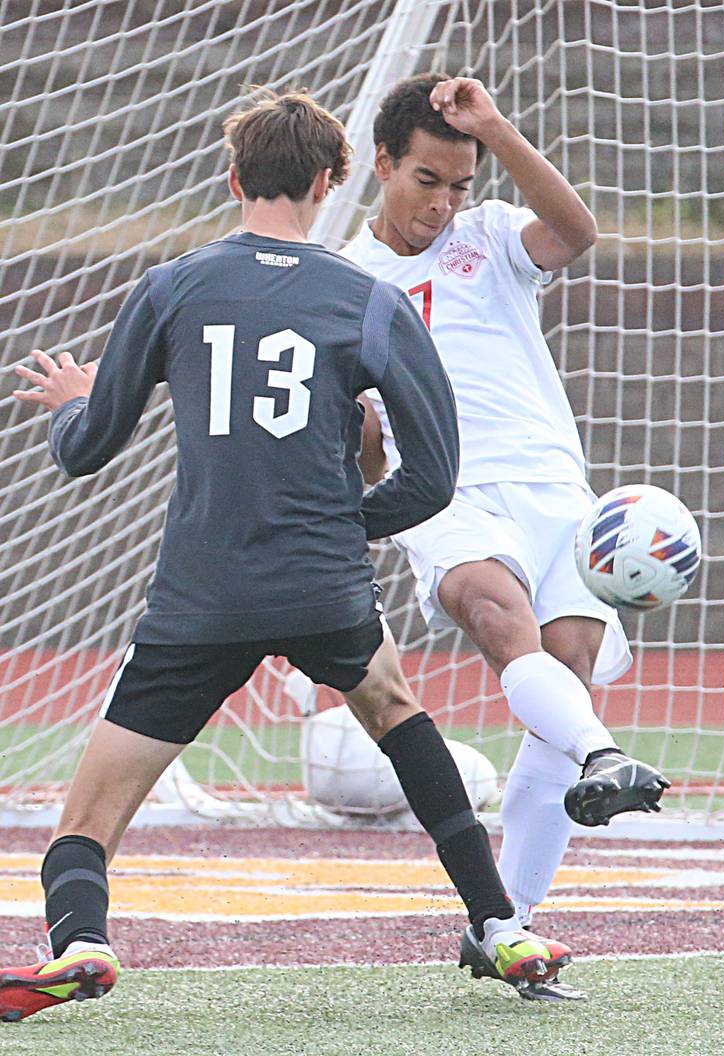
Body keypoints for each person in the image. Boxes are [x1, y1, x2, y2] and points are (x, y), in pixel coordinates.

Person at [5, 87, 560, 1022]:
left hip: (201, 595)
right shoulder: (373, 301)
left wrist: (68, 397)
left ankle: (84, 942)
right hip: (324, 588)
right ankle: (499, 922)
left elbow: (86, 450)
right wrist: (342, 525)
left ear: (232, 179)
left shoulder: (171, 286)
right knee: (394, 710)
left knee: (87, 818)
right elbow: (433, 481)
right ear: (329, 180)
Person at [343, 73, 670, 996]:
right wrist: (365, 452)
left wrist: (495, 128)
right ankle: (602, 755)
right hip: (442, 490)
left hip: (554, 489)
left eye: (456, 183)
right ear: (382, 166)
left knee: (561, 671)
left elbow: (575, 233)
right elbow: (362, 446)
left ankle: (507, 929)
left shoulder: (488, 234)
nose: (440, 205)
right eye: (424, 182)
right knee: (497, 611)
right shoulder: (345, 281)